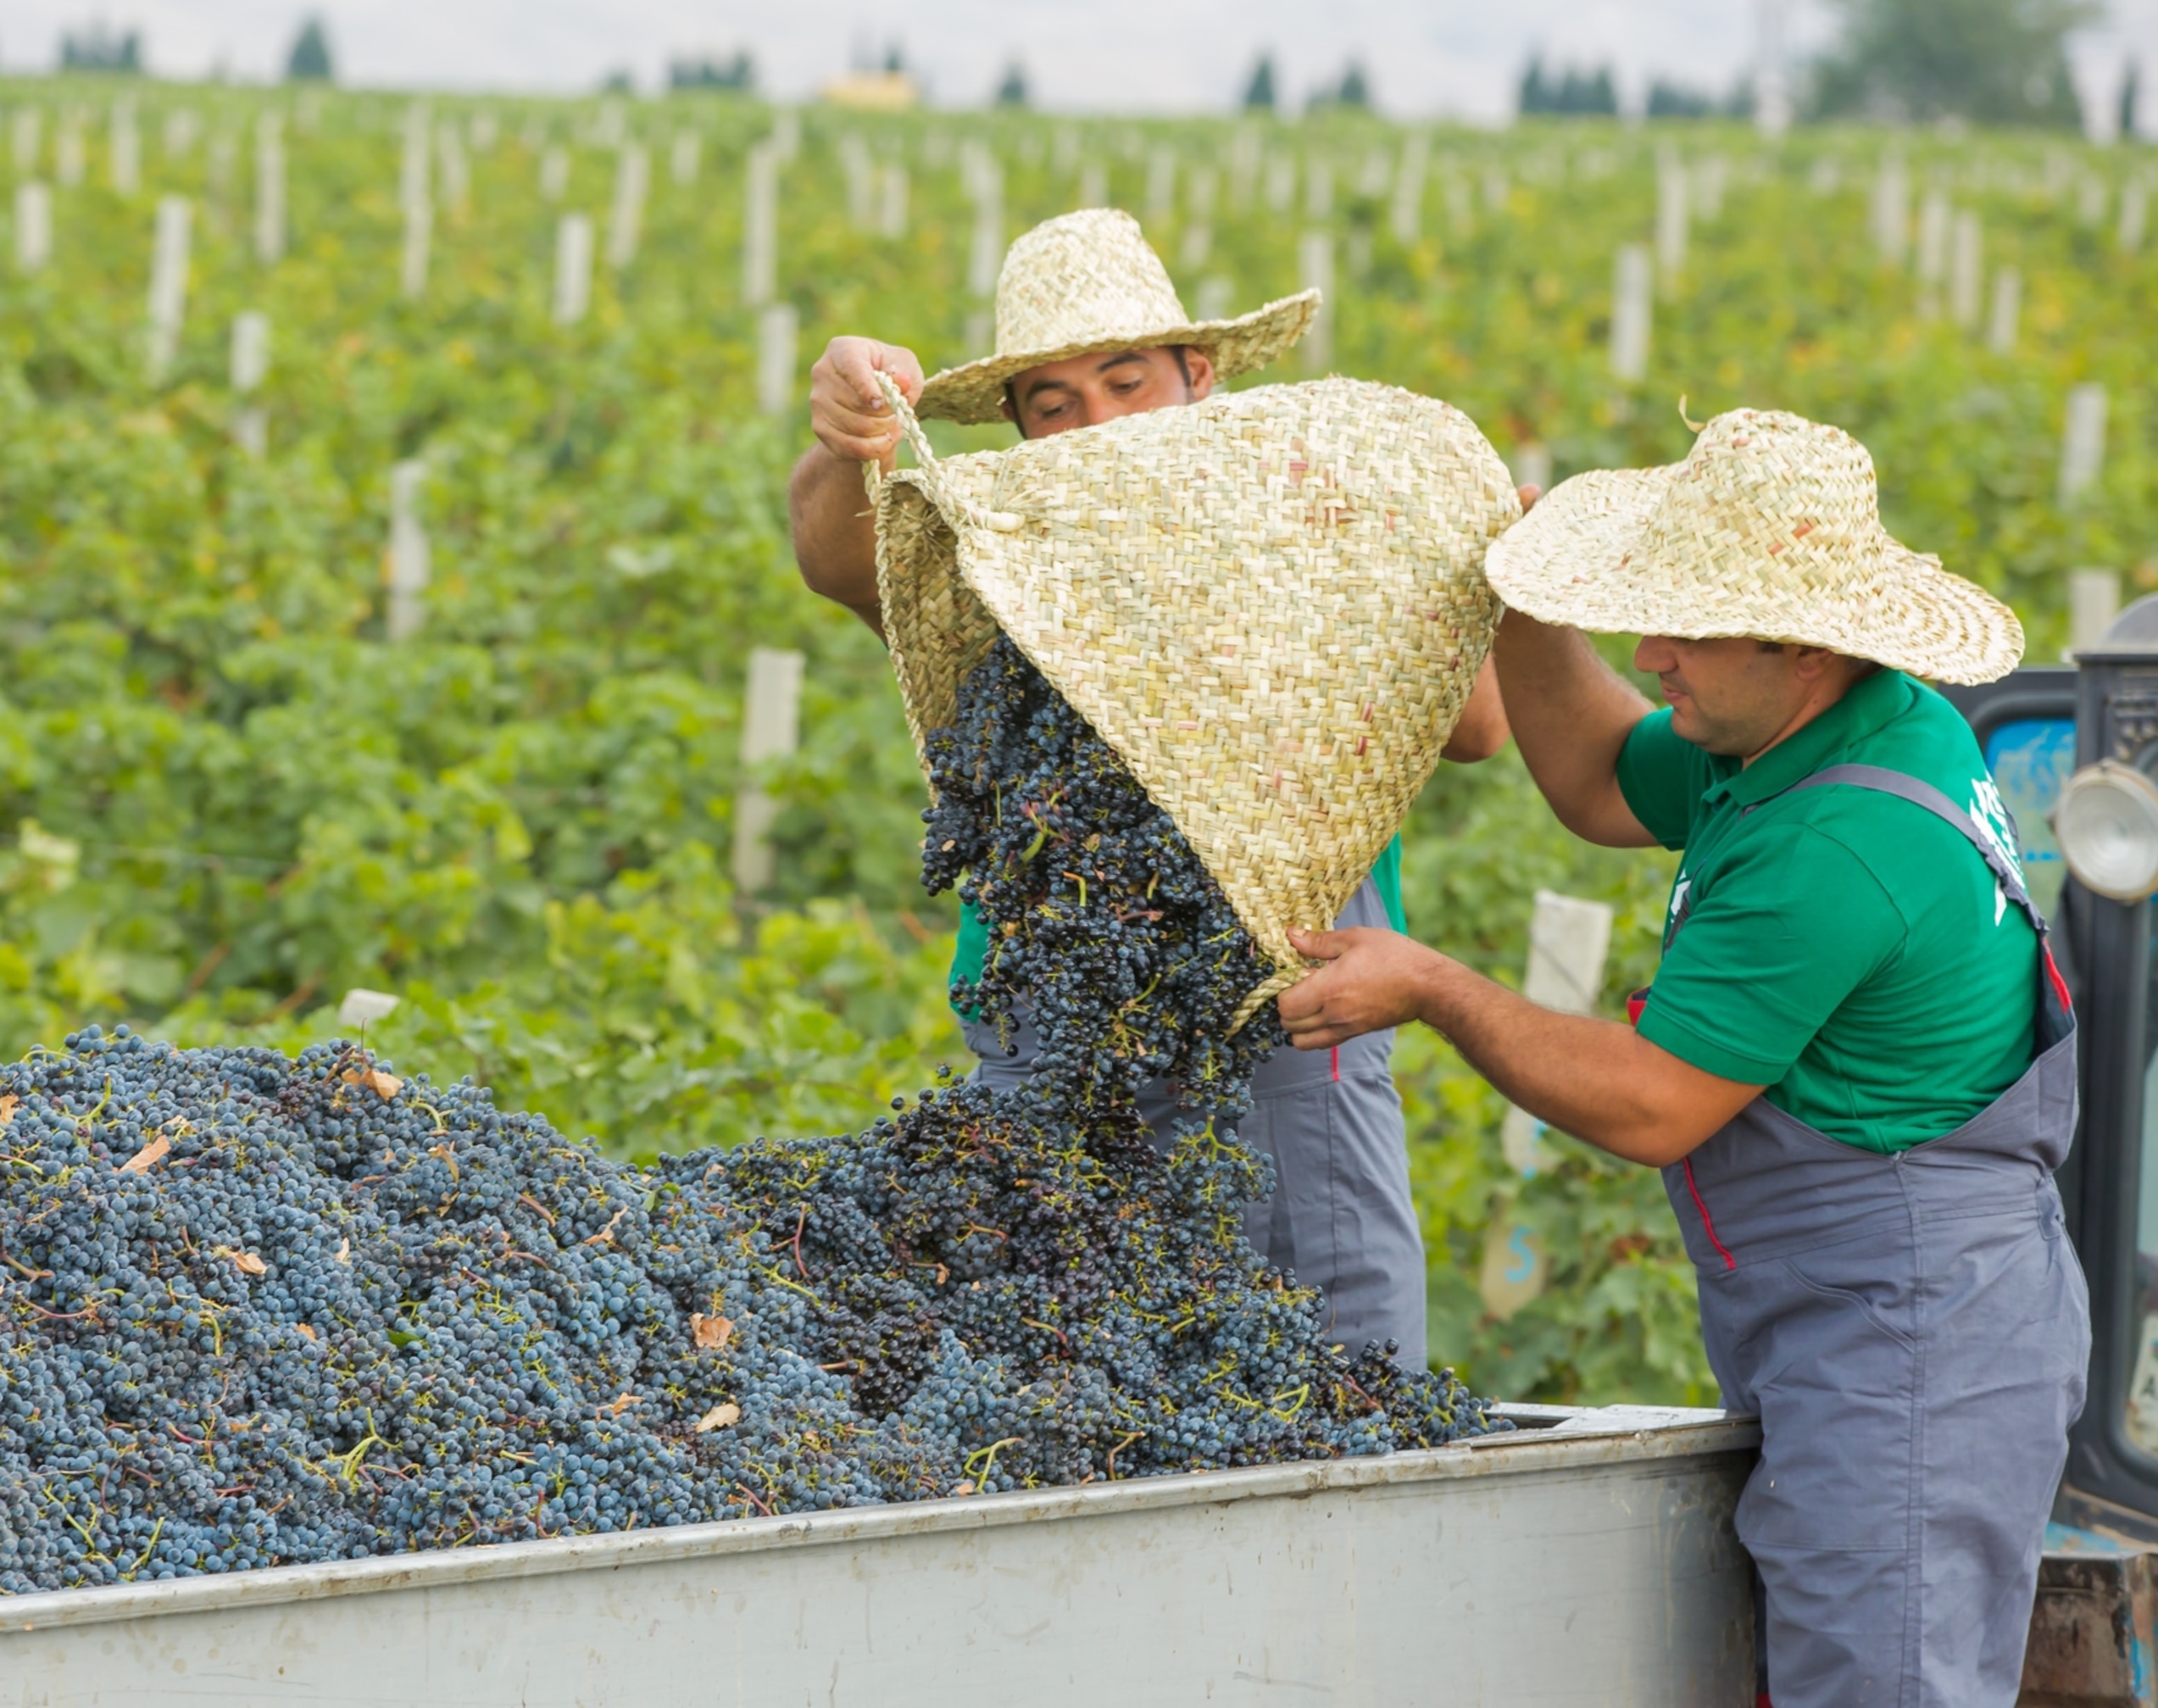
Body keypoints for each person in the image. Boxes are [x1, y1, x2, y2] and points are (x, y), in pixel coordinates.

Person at [1271, 408, 2086, 1706]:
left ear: (1804, 640)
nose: (1649, 655)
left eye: (1684, 629)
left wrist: (1431, 985)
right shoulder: (1807, 728)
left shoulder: (1837, 848)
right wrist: (1526, 604)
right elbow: (1598, 780)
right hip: (1860, 1305)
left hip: (1914, 1332)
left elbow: (1653, 1107)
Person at [787, 209, 1507, 1371]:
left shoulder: (1303, 525)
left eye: (1126, 384)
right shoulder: (1002, 548)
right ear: (1021, 429)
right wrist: (848, 440)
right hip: (1048, 1018)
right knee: (1074, 1393)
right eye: (1054, 405)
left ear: (1202, 379)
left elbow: (1472, 728)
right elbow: (837, 559)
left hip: (1285, 1010)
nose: (1096, 425)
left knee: (1334, 1388)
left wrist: (1412, 553)